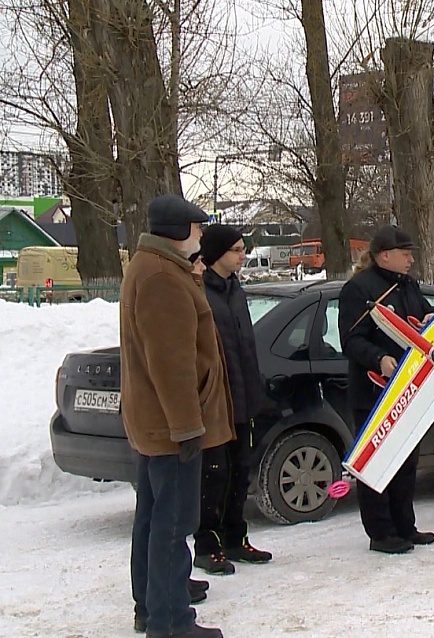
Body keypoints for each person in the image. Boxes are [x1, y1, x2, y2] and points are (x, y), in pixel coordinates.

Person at [121, 195, 230, 638]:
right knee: (173, 525)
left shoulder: (153, 267)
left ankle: (151, 609)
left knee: (152, 517)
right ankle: (171, 623)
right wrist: (187, 427)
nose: (202, 235)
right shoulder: (163, 277)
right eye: (198, 228)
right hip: (171, 426)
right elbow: (172, 363)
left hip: (156, 423)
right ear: (178, 230)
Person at [338, 225, 434, 554]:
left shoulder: (407, 284)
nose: (411, 260)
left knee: (407, 461)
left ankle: (404, 526)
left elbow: (423, 315)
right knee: (378, 462)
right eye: (405, 254)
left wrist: (430, 321)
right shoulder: (358, 289)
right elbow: (350, 340)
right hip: (374, 391)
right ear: (384, 256)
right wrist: (378, 357)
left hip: (409, 387)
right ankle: (381, 532)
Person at [191, 225, 272, 576]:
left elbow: (245, 346)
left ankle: (236, 538)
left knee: (240, 472)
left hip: (243, 398)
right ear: (216, 254)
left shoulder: (235, 289)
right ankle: (208, 546)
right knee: (214, 476)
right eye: (236, 250)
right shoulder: (199, 290)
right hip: (215, 402)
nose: (242, 255)